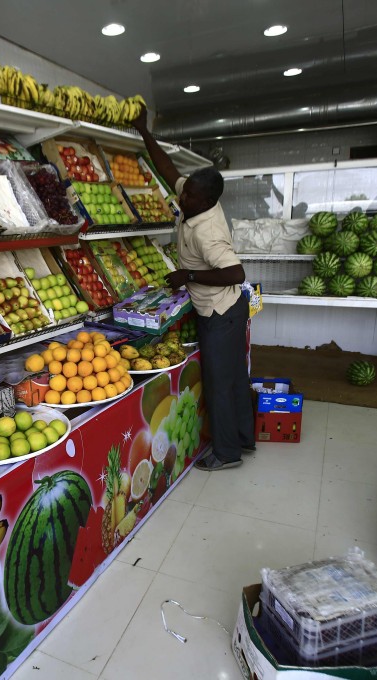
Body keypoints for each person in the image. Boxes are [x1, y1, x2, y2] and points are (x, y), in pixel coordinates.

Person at [132, 107, 256, 471]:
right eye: (185, 194)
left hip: (221, 312)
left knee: (220, 383)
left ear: (206, 202)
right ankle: (243, 440)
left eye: (188, 198)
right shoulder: (195, 195)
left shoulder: (208, 231)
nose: (181, 198)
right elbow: (168, 170)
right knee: (235, 379)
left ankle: (227, 454)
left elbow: (235, 272)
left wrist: (187, 276)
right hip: (227, 311)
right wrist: (144, 133)